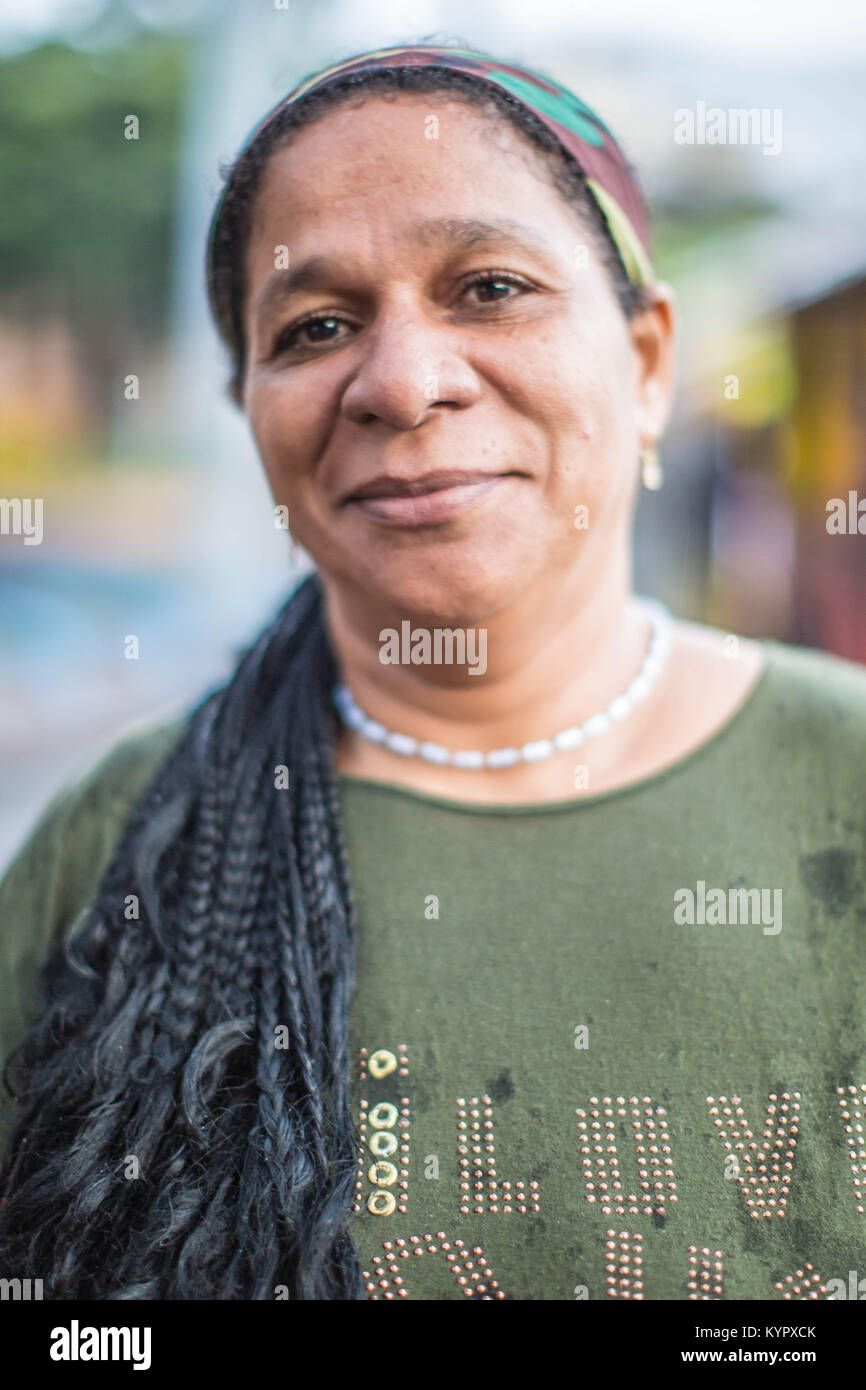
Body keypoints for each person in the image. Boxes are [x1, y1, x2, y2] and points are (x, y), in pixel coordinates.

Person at [1, 43, 865, 1302]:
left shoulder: (842, 772)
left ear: (646, 362)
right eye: (316, 326)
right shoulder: (118, 842)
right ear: (251, 409)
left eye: (490, 286)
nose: (403, 384)